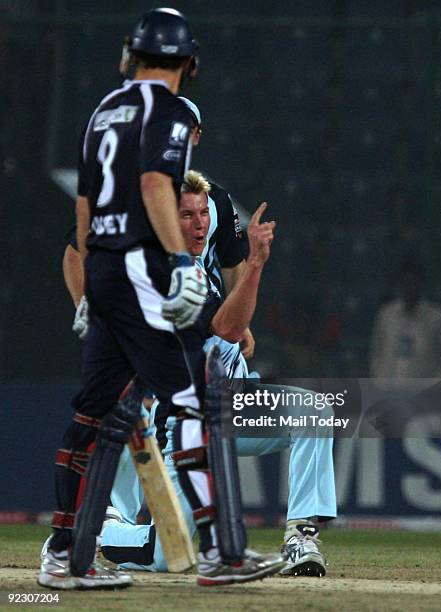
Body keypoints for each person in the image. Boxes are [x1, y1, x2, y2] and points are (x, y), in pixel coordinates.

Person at [39, 8, 283, 590]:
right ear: (187, 64)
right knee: (200, 402)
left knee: (96, 414)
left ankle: (64, 556)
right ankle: (222, 553)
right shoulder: (168, 110)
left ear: (132, 55)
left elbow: (85, 207)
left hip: (105, 272)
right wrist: (178, 263)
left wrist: (91, 290)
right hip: (142, 272)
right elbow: (154, 184)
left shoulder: (104, 109)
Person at [100, 171, 335, 578]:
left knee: (313, 412)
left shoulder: (195, 270)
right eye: (187, 215)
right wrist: (256, 265)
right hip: (186, 427)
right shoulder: (168, 274)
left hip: (232, 404)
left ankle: (301, 536)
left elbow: (231, 325)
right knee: (165, 556)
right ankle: (91, 535)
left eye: (203, 213)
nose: (200, 222)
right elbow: (227, 326)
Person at [66, 97, 256, 356]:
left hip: (208, 331)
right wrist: (85, 303)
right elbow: (75, 252)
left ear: (196, 137)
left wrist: (240, 321)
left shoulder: (217, 200)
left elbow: (232, 263)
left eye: (184, 130)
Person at [370, 261, 441, 379]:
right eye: (406, 282)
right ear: (400, 284)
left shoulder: (437, 319)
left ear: (421, 284)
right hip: (389, 392)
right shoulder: (386, 315)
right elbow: (376, 353)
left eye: (413, 282)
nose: (409, 287)